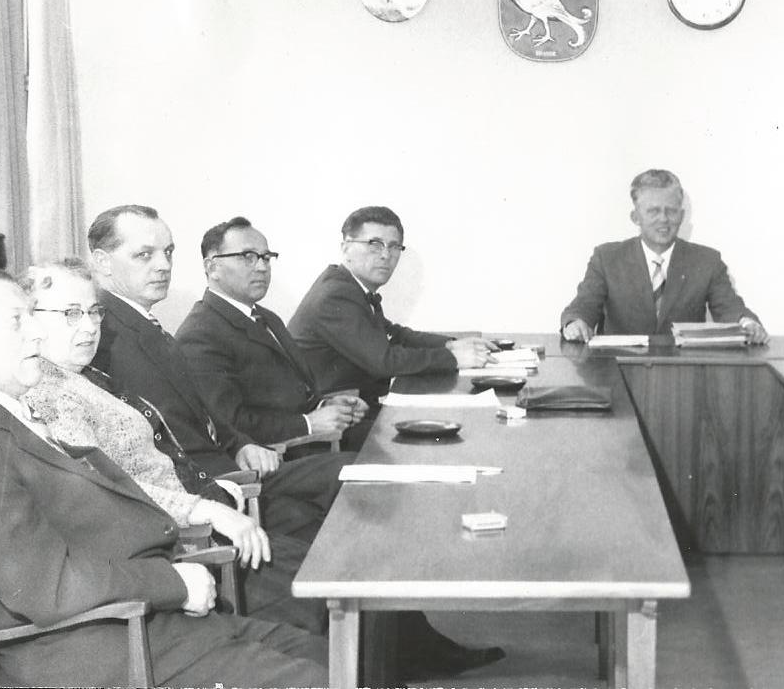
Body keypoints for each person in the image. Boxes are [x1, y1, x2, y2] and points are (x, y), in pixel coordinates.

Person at [0, 263, 327, 687]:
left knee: (341, 657)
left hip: (155, 629)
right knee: (331, 674)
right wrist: (173, 582)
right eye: (17, 320)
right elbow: (48, 586)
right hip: (106, 653)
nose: (35, 332)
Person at [86, 204, 347, 544]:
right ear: (103, 262)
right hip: (209, 499)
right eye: (144, 255)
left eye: (168, 252)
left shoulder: (142, 325)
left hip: (234, 472)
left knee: (347, 489)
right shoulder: (103, 338)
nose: (164, 265)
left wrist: (240, 445)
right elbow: (154, 450)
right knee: (332, 522)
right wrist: (223, 489)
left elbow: (199, 414)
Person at [176, 217, 366, 448]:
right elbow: (228, 425)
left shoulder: (267, 317)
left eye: (266, 257)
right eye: (247, 256)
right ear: (212, 267)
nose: (262, 267)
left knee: (388, 435)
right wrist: (308, 423)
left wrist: (326, 406)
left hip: (310, 443)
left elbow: (293, 396)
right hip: (271, 458)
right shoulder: (199, 334)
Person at [288, 205, 492, 416]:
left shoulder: (350, 285)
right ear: (346, 248)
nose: (386, 255)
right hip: (331, 420)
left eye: (394, 246)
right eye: (375, 244)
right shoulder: (336, 294)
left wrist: (451, 344)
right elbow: (384, 361)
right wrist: (453, 358)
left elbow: (395, 335)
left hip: (353, 408)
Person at [560, 169, 769, 343]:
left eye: (671, 211)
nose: (663, 219)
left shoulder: (707, 261)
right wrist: (576, 323)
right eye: (653, 211)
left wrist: (747, 324)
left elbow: (730, 308)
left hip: (683, 374)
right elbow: (583, 306)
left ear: (682, 216)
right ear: (635, 217)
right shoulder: (606, 258)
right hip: (619, 370)